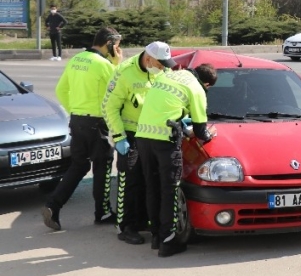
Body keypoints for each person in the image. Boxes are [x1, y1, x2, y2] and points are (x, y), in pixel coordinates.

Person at [42, 27, 123, 231]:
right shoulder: (103, 64)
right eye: (117, 46)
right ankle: (102, 212)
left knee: (78, 166)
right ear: (110, 44)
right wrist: (116, 64)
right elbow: (118, 88)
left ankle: (53, 205)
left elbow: (61, 89)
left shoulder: (77, 59)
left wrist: (75, 110)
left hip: (77, 121)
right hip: (97, 124)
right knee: (103, 167)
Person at [135, 64, 217, 257]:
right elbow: (201, 130)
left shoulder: (166, 77)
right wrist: (209, 134)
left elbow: (163, 108)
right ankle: (168, 242)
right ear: (207, 84)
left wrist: (181, 121)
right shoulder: (196, 88)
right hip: (165, 141)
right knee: (169, 190)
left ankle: (156, 237)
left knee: (152, 187)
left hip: (143, 138)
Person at [101, 41, 176, 245]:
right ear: (148, 58)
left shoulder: (161, 71)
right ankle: (126, 226)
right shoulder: (125, 72)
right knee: (130, 181)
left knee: (149, 180)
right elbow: (108, 106)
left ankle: (143, 221)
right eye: (160, 64)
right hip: (130, 135)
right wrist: (119, 137)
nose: (163, 67)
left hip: (152, 134)